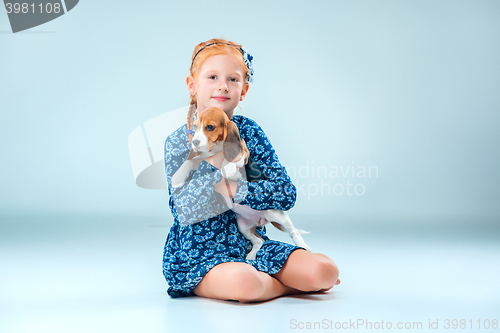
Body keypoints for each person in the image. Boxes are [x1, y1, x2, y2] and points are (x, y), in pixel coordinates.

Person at [163, 38, 340, 302]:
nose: (223, 85)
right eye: (212, 76)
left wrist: (237, 189)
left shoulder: (249, 132)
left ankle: (275, 283)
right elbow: (184, 208)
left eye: (233, 79)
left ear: (243, 90)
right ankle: (281, 288)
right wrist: (218, 166)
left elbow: (286, 193)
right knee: (245, 282)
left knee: (324, 271)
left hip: (252, 247)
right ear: (192, 85)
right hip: (199, 255)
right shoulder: (179, 141)